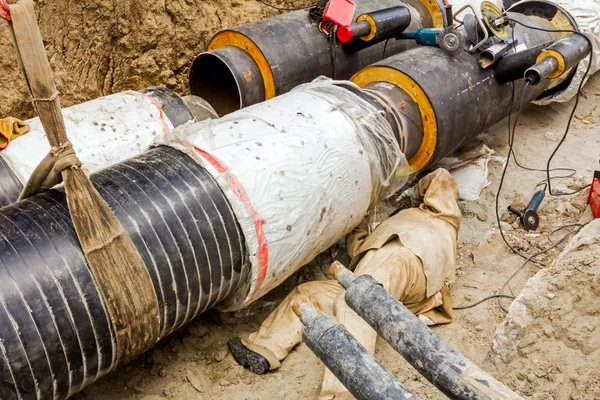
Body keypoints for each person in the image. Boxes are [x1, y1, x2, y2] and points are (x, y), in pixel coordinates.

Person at [229, 168, 461, 399]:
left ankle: (343, 394)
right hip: (391, 281)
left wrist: (414, 192)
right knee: (310, 294)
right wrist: (358, 225)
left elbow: (441, 176)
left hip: (403, 259)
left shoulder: (442, 217)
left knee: (356, 306)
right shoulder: (397, 225)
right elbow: (361, 249)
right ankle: (264, 348)